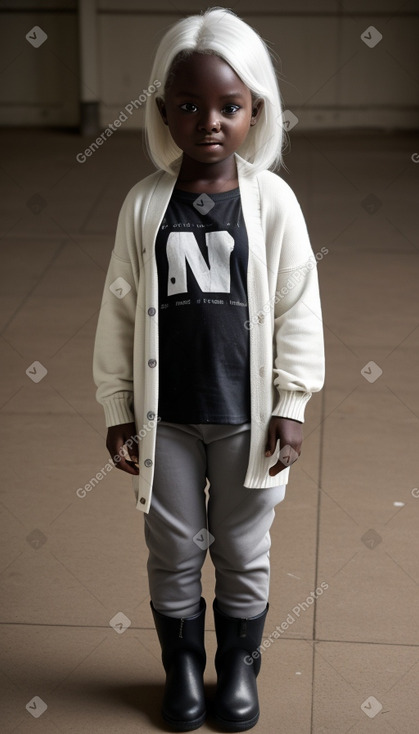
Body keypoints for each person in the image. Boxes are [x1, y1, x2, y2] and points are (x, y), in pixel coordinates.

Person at [93, 6, 325, 732]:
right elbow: (119, 312)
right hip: (168, 419)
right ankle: (183, 667)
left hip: (245, 418)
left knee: (242, 548)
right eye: (189, 107)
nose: (210, 123)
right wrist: (118, 405)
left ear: (256, 109)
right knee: (172, 547)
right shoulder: (144, 207)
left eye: (229, 106)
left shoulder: (273, 204)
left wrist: (291, 402)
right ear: (163, 112)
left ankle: (239, 671)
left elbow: (297, 305)